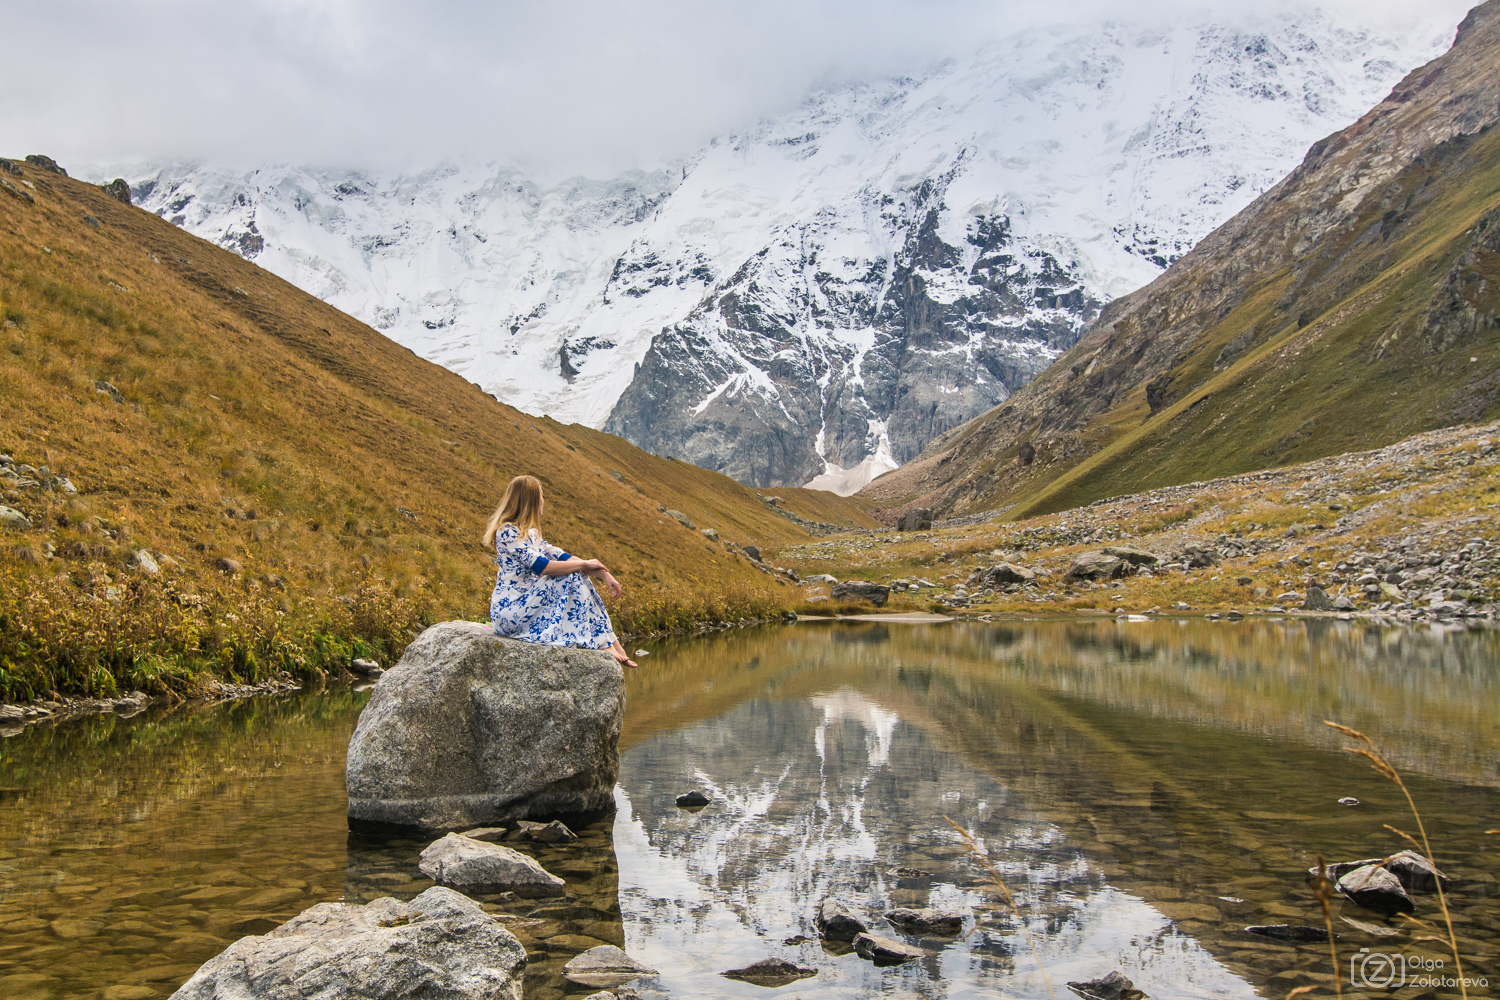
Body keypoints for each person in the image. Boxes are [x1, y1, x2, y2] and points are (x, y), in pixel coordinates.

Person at [483, 475, 637, 668]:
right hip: (510, 611)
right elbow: (543, 567)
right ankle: (604, 644)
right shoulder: (507, 532)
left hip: (528, 605)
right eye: (540, 495)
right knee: (571, 572)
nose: (543, 500)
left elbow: (562, 557)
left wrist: (603, 573)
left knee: (573, 570)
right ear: (530, 500)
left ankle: (612, 644)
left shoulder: (532, 534)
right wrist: (582, 565)